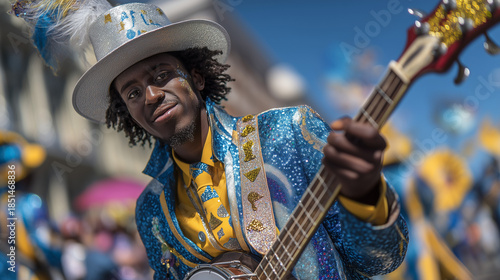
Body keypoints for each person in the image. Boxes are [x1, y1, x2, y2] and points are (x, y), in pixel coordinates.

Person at [11, 1, 409, 279]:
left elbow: (383, 259)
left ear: (196, 77)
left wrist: (365, 194)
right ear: (127, 114)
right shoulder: (151, 210)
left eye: (161, 74)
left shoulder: (288, 131)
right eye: (131, 94)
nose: (150, 96)